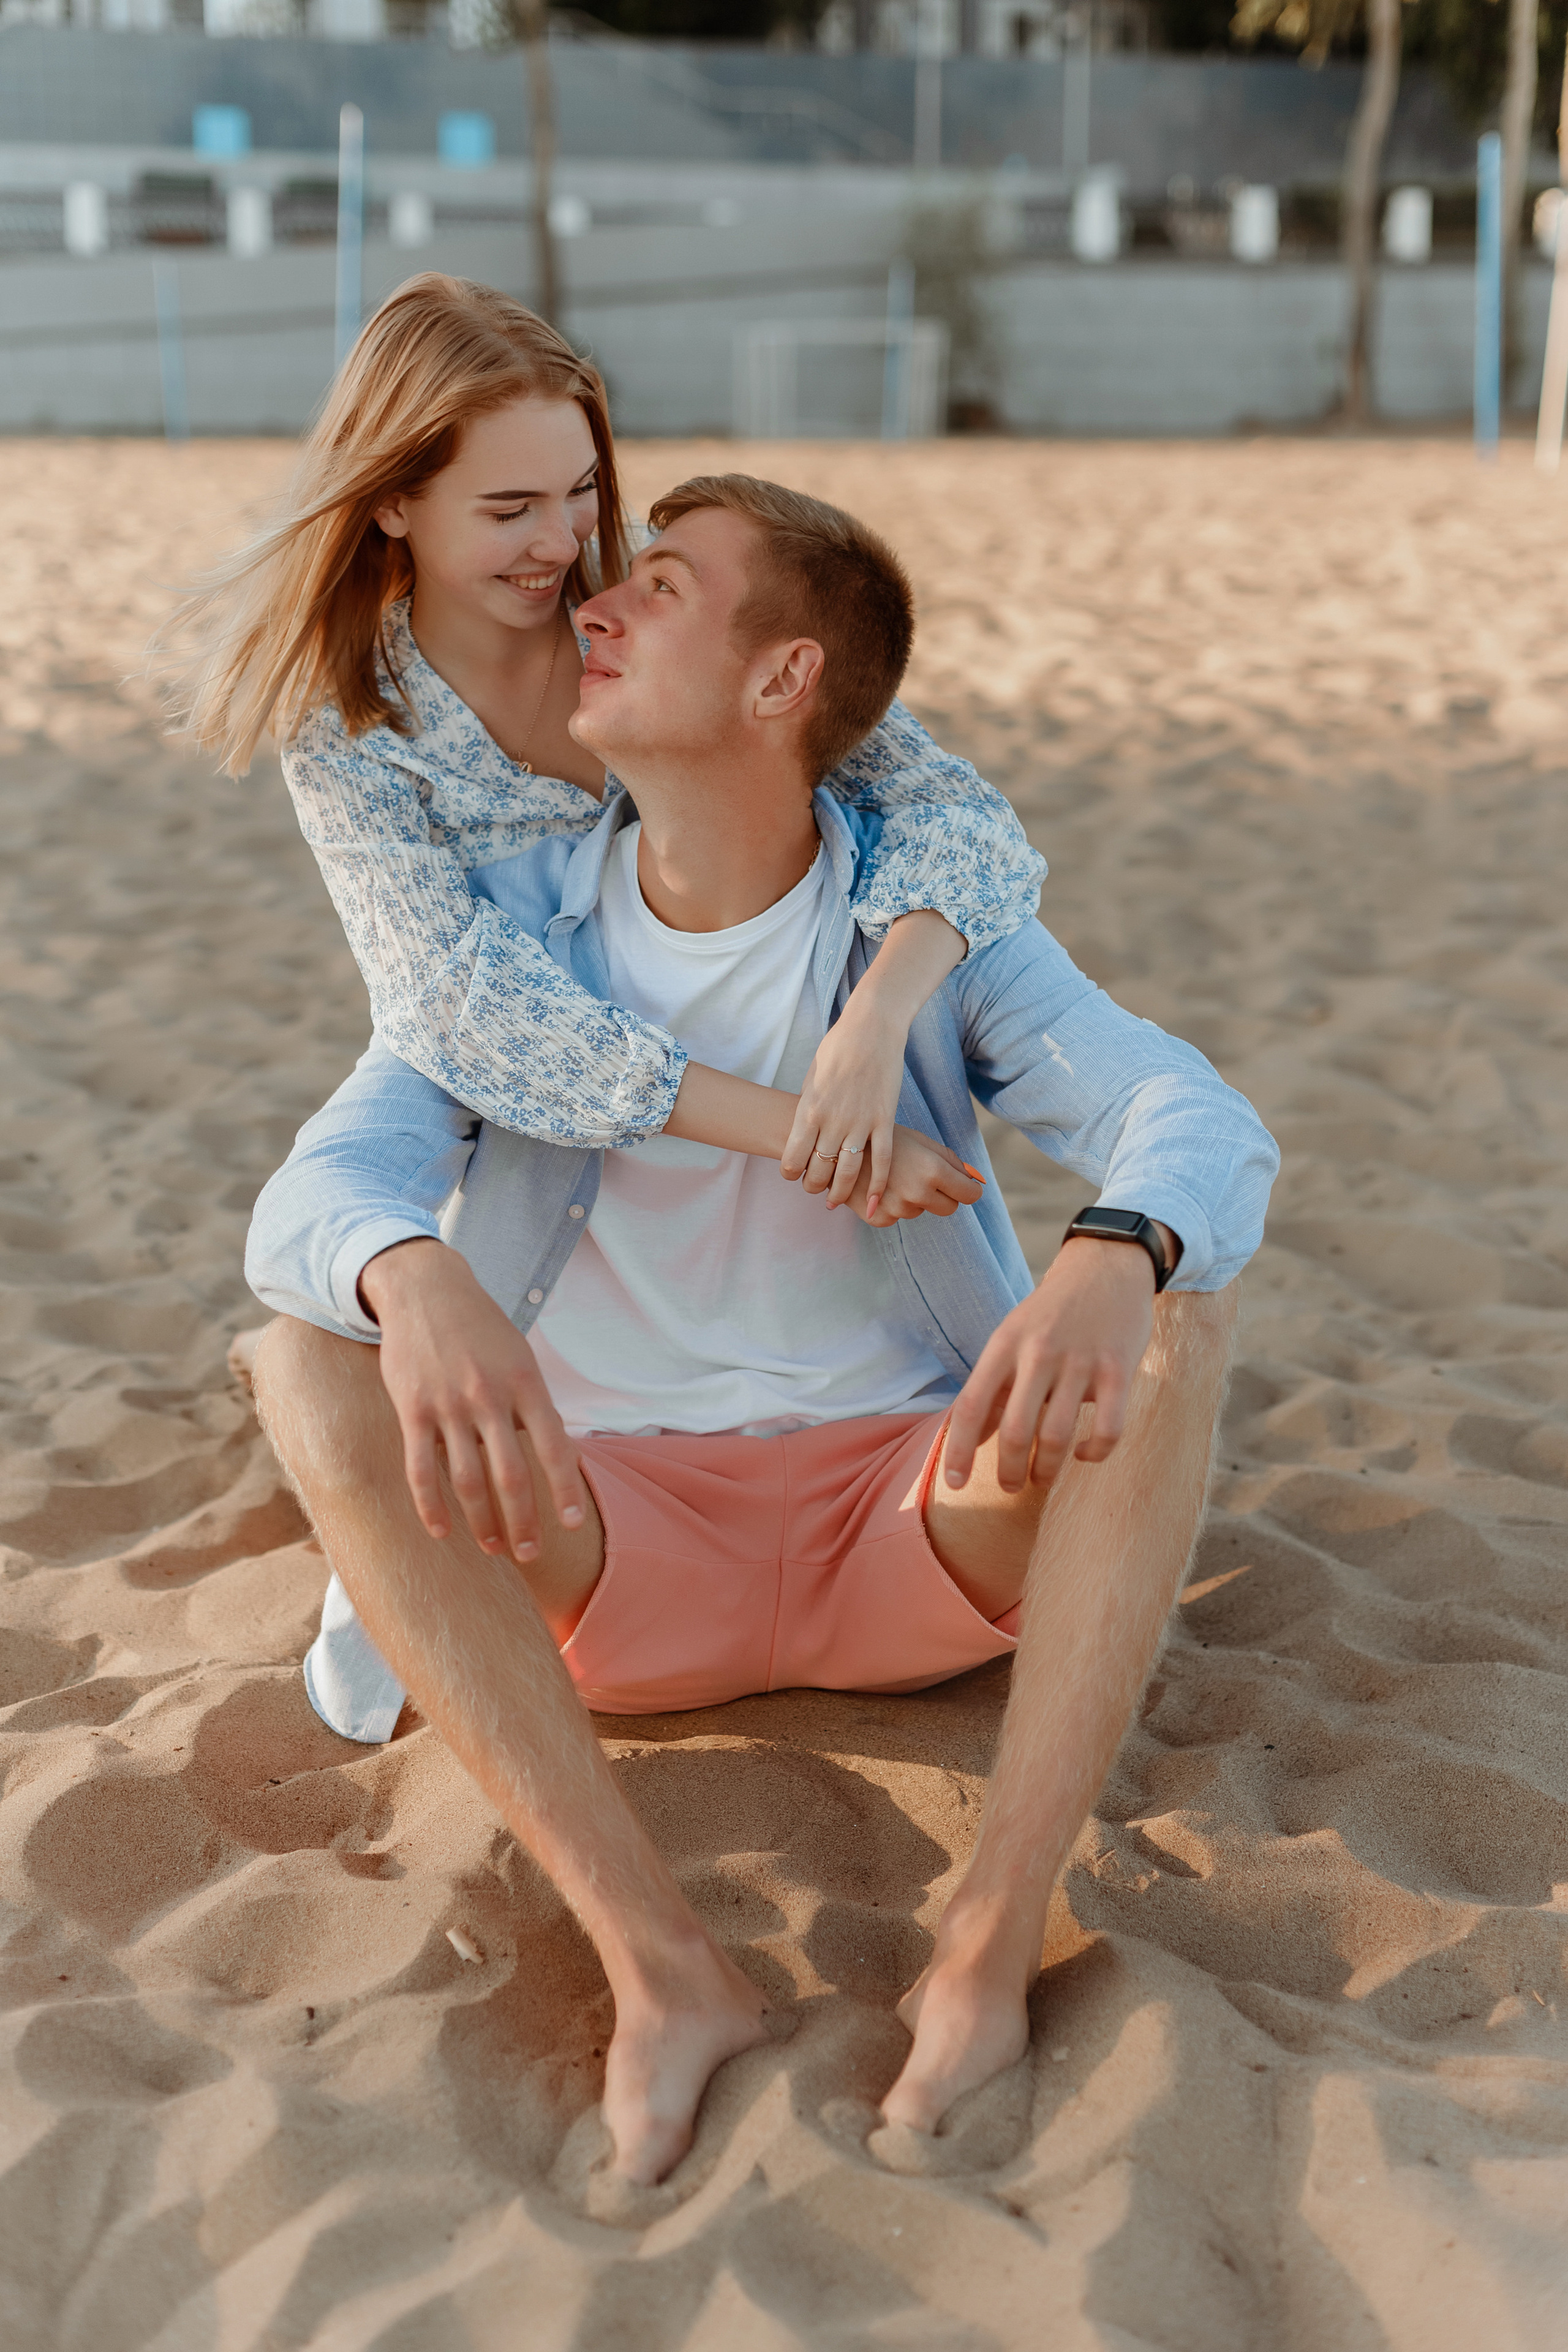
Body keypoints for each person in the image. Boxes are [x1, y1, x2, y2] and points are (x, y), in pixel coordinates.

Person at [246, 475, 1278, 2194]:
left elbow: (1196, 1116)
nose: (594, 603)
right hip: (606, 1549)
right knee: (303, 1354)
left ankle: (986, 1952)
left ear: (781, 679)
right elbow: (316, 1194)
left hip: (918, 1530)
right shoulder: (514, 947)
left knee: (1174, 1317)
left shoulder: (935, 938)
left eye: (655, 585)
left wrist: (1117, 1244)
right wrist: (404, 1273)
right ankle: (667, 1978)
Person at [178, 274, 1048, 1236]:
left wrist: (876, 1024)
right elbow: (459, 1013)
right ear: (390, 503)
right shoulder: (348, 721)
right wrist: (811, 1128)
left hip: (764, 999)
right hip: (549, 1091)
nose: (560, 544)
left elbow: (955, 813)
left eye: (582, 489)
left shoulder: (663, 598)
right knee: (327, 1227)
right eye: (509, 510)